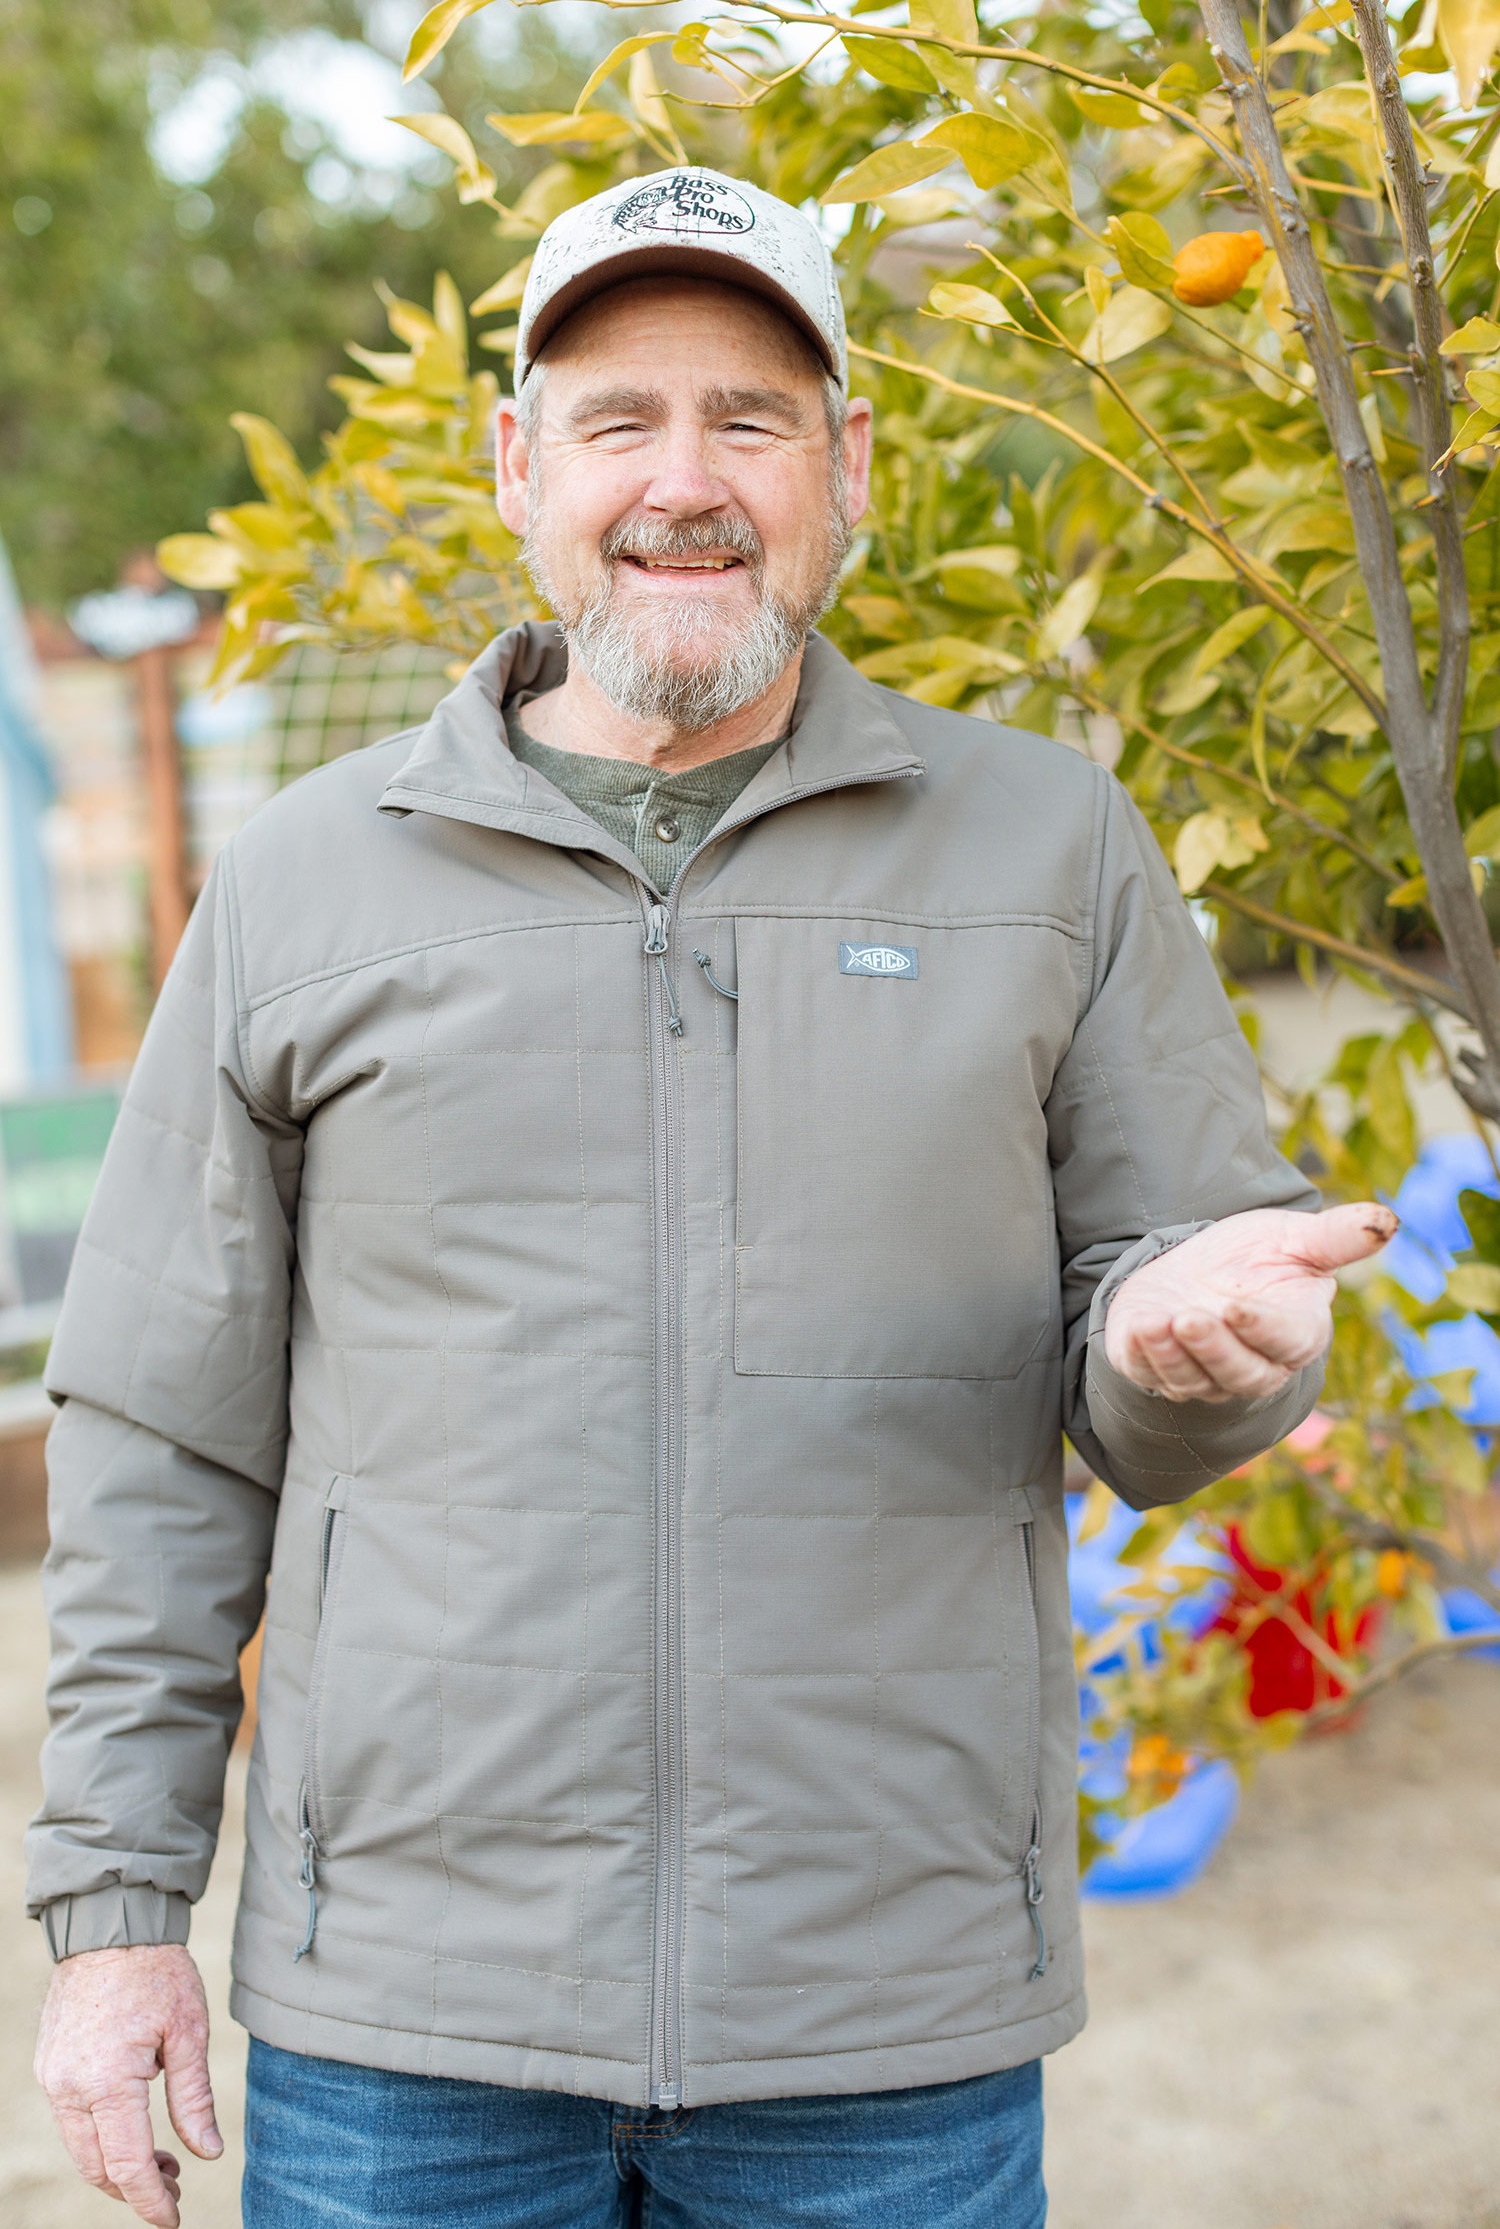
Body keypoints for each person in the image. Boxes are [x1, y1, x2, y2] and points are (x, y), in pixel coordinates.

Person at [28, 165, 1394, 2229]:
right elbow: (158, 1433)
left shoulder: (1050, 844)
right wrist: (119, 1916)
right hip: (410, 2028)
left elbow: (1166, 1339)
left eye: (748, 419)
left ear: (846, 464)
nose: (686, 480)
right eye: (617, 420)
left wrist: (1208, 1358)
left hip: (885, 2023)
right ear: (519, 467)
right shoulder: (307, 884)